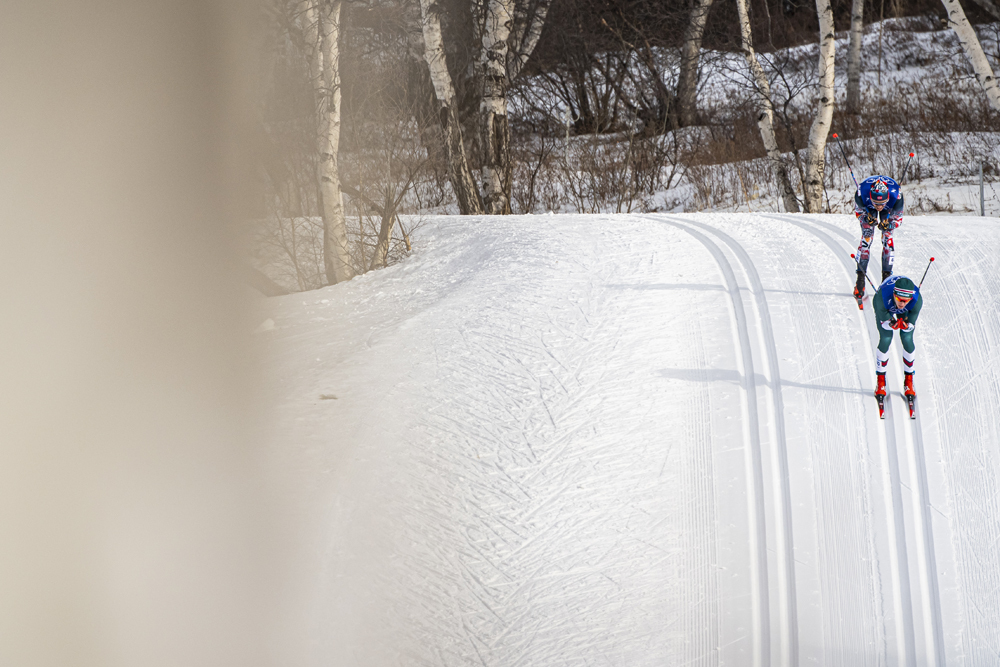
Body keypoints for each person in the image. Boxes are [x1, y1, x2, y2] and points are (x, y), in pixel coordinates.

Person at [853, 175, 904, 299]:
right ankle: (860, 281)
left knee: (888, 239)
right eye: (876, 203)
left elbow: (898, 219)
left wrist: (889, 224)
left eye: (882, 203)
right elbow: (859, 213)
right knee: (867, 238)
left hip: (890, 207)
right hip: (867, 207)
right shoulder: (861, 194)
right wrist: (866, 218)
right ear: (871, 198)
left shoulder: (897, 196)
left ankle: (886, 280)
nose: (879, 206)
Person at [873, 275, 922, 399]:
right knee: (886, 337)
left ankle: (909, 381)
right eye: (899, 299)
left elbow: (911, 326)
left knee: (907, 338)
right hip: (886, 305)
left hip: (901, 307)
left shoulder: (917, 301)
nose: (902, 303)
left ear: (911, 298)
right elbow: (885, 325)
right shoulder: (881, 298)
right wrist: (892, 324)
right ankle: (880, 382)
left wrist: (905, 325)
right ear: (894, 294)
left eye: (906, 300)